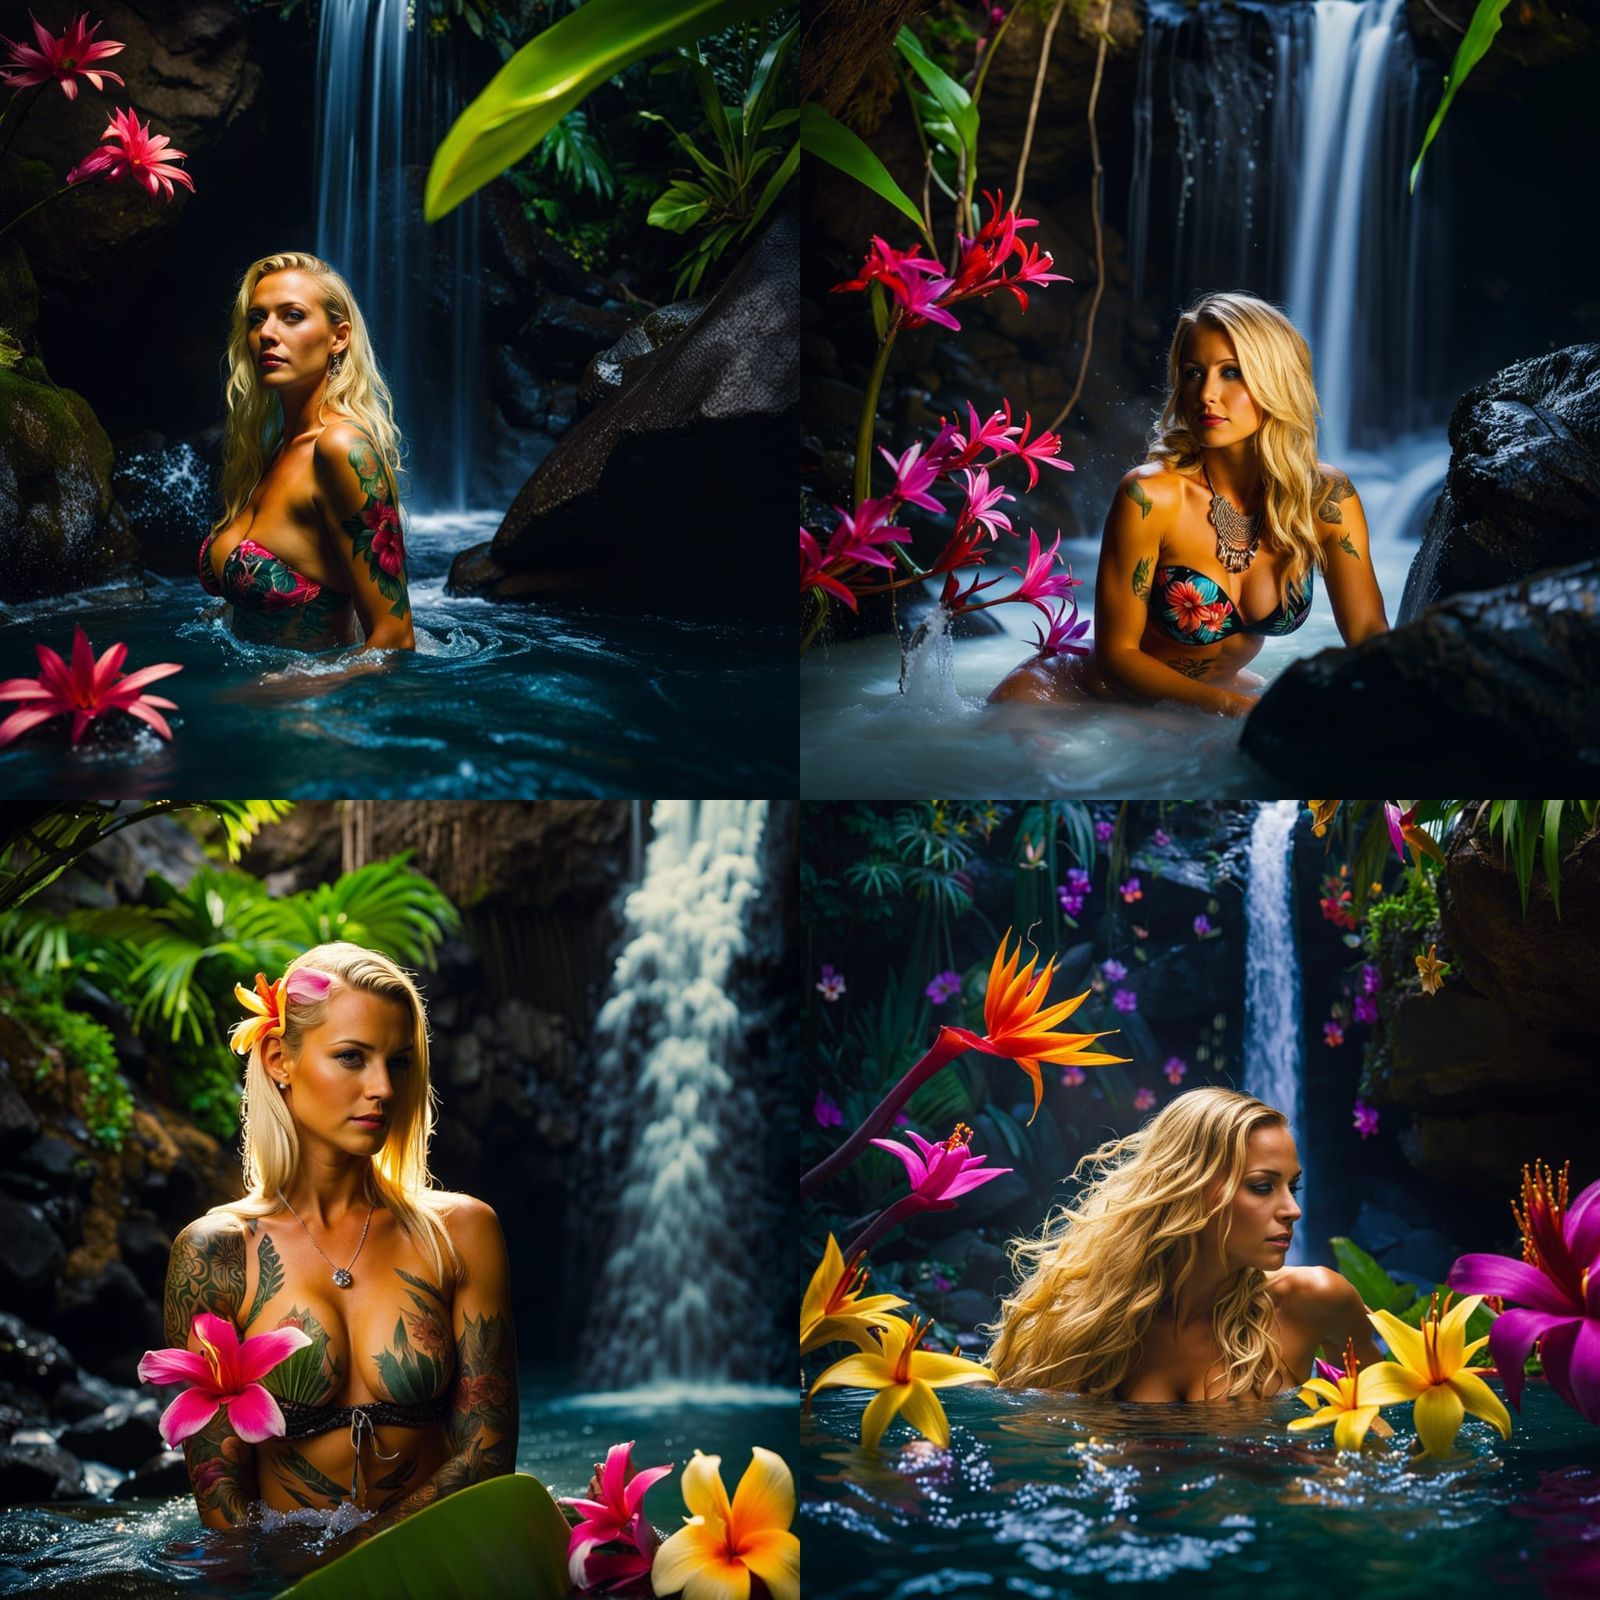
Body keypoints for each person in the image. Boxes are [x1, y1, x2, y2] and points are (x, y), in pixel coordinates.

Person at [160, 942, 515, 1529]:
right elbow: (220, 1500)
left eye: (399, 1062)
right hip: (286, 1575)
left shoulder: (461, 1234)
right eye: (352, 1057)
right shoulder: (215, 1252)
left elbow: (487, 1456)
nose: (383, 1088)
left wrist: (365, 1556)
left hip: (432, 1560)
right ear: (279, 1058)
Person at [989, 292, 1388, 716]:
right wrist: (1233, 709)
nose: (1206, 394)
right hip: (1069, 703)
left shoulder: (1326, 498)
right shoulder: (1150, 498)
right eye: (1194, 373)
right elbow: (1117, 655)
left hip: (1194, 705)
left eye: (1231, 372)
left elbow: (1367, 633)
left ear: (1277, 380)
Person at [985, 1087, 1381, 1398]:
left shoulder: (1314, 1301)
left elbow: (1385, 1445)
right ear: (1189, 1189)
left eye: (1291, 1186)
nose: (1292, 1209)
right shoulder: (1087, 1325)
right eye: (1263, 1187)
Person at [199, 253, 415, 653]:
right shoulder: (275, 450)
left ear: (339, 337)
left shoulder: (341, 449)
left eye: (292, 316)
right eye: (257, 318)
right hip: (250, 703)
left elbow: (396, 640)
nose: (267, 332)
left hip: (309, 711)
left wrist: (295, 690)